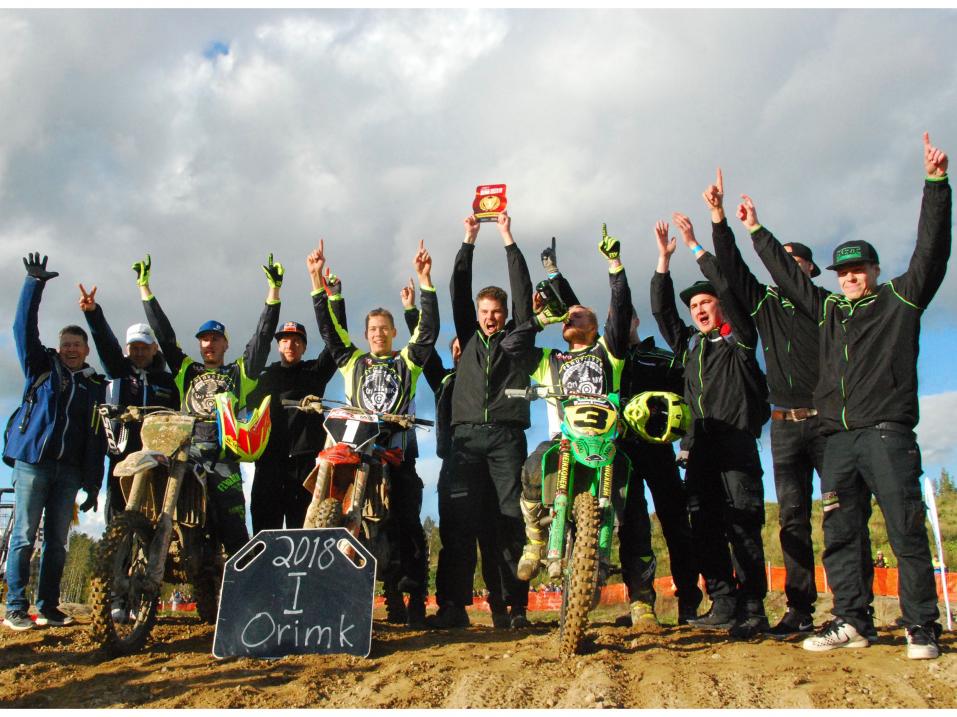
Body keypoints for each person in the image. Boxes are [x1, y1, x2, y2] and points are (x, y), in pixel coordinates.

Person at [745, 133, 950, 659]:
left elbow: (931, 251)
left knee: (904, 528)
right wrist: (755, 230)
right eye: (843, 271)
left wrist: (935, 184)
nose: (851, 277)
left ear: (875, 271)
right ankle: (853, 620)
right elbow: (790, 278)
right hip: (836, 439)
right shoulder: (829, 309)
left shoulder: (900, 300)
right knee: (840, 532)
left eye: (859, 269)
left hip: (885, 432)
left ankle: (920, 626)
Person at [541, 236, 702, 628]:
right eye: (614, 316)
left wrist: (688, 444)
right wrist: (553, 274)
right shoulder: (598, 353)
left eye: (624, 316)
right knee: (630, 524)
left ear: (634, 320)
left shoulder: (659, 358)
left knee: (675, 521)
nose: (619, 320)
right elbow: (580, 314)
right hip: (612, 448)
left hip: (655, 448)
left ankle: (688, 603)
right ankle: (639, 602)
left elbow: (690, 402)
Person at [651, 214, 771, 639]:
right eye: (694, 306)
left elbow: (729, 286)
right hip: (698, 447)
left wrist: (695, 246)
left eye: (706, 302)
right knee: (703, 527)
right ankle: (722, 603)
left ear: (719, 305)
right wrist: (664, 262)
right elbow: (661, 312)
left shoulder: (740, 340)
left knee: (743, 527)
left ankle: (754, 609)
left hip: (736, 445)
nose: (699, 309)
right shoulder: (689, 347)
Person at [309, 239, 438, 628]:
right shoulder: (352, 361)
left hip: (396, 455)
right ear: (365, 334)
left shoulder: (407, 363)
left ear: (395, 331)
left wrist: (425, 280)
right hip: (355, 451)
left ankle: (412, 597)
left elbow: (429, 331)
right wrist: (316, 281)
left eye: (384, 328)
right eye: (373, 329)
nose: (379, 334)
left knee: (408, 526)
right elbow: (330, 333)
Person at [516, 226, 634, 609]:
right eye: (567, 316)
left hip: (605, 441)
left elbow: (622, 305)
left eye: (578, 314)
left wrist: (615, 264)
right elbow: (509, 346)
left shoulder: (608, 354)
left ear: (596, 328)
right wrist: (541, 320)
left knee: (630, 488)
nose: (570, 315)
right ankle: (534, 540)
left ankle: (610, 549)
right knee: (533, 468)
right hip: (562, 438)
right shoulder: (550, 360)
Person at [431, 211, 539, 629]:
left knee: (509, 522)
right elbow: (458, 289)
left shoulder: (517, 340)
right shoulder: (470, 336)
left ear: (505, 313)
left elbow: (524, 292)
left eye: (497, 311)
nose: (491, 317)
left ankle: (514, 608)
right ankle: (453, 607)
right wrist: (469, 240)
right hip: (465, 441)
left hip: (506, 440)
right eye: (485, 311)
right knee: (458, 524)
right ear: (477, 314)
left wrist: (509, 238)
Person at [134, 253, 282, 556]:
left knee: (235, 531)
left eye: (215, 339)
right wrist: (145, 290)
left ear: (226, 344)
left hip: (223, 458)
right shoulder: (187, 370)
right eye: (204, 339)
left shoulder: (239, 373)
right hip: (185, 453)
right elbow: (164, 335)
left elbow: (262, 338)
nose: (209, 344)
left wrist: (274, 293)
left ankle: (243, 589)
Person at [3, 254, 107, 631]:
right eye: (66, 343)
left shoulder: (95, 387)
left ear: (86, 350)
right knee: (24, 536)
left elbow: (97, 439)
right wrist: (34, 284)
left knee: (58, 543)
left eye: (77, 344)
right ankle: (16, 606)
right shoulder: (41, 368)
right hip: (33, 463)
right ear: (58, 346)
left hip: (70, 471)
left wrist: (94, 482)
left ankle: (48, 606)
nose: (71, 349)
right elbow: (21, 328)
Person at [401, 286, 515, 629]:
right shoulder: (445, 380)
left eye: (463, 347)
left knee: (496, 535)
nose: (458, 352)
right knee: (455, 539)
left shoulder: (491, 376)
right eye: (453, 349)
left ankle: (504, 607)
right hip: (456, 462)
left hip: (491, 459)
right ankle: (453, 607)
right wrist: (411, 311)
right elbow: (425, 352)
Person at [247, 267, 346, 534]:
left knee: (302, 530)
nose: (290, 346)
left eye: (296, 341)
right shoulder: (264, 377)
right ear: (278, 345)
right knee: (263, 532)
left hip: (305, 466)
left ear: (304, 347)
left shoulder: (315, 372)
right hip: (269, 464)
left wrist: (334, 298)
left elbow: (337, 340)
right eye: (285, 341)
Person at [77, 284, 179, 524]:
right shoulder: (119, 370)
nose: (140, 353)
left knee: (157, 514)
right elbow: (105, 342)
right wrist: (93, 312)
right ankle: (116, 559)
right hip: (121, 453)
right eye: (134, 348)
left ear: (155, 348)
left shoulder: (167, 380)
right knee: (118, 517)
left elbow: (178, 413)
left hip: (158, 456)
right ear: (127, 349)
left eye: (145, 348)